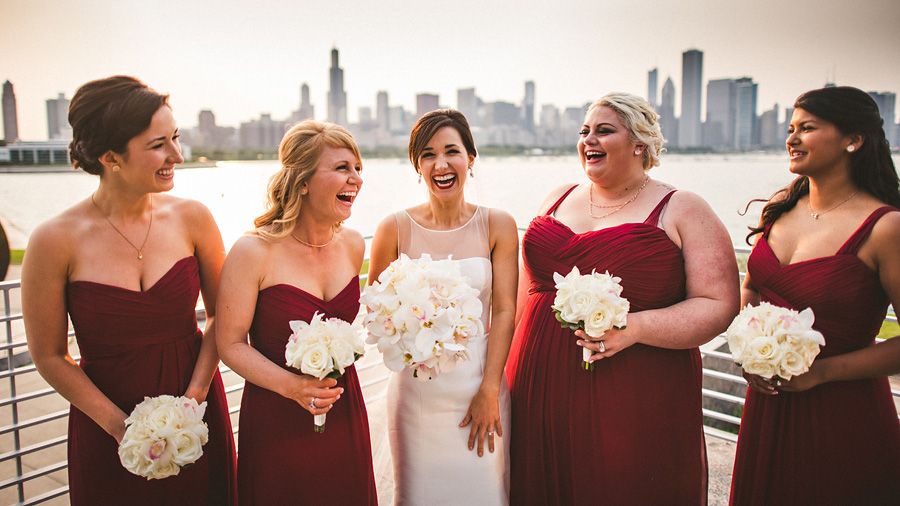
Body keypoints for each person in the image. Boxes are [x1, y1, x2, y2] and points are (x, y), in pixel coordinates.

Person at [504, 92, 740, 505]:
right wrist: (495, 373)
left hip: (634, 391)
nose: (588, 140)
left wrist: (637, 327)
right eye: (584, 131)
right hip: (536, 381)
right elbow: (526, 292)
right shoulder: (556, 197)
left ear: (640, 143)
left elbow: (719, 304)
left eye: (604, 130)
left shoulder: (682, 207)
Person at [21, 76, 236, 505]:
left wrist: (194, 400)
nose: (177, 154)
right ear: (110, 157)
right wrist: (121, 427)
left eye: (176, 138)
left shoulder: (194, 218)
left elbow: (222, 317)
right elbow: (48, 354)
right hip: (105, 420)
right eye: (159, 144)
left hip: (195, 406)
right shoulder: (53, 240)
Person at [729, 86, 900, 505]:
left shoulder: (886, 227)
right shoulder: (781, 209)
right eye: (791, 128)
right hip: (766, 405)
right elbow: (750, 287)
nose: (791, 138)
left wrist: (820, 373)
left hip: (844, 414)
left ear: (853, 139)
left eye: (807, 128)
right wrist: (752, 353)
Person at [216, 120, 376, 505]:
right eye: (341, 168)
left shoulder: (353, 245)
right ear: (302, 180)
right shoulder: (253, 251)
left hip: (343, 409)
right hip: (277, 417)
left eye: (357, 169)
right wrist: (292, 387)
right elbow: (230, 343)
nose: (355, 178)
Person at [367, 109, 519, 505]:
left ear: (470, 157)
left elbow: (504, 310)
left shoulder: (498, 225)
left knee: (486, 492)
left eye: (452, 151)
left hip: (479, 386)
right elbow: (377, 313)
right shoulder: (393, 227)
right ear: (417, 165)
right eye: (428, 155)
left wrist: (489, 388)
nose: (441, 164)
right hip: (416, 396)